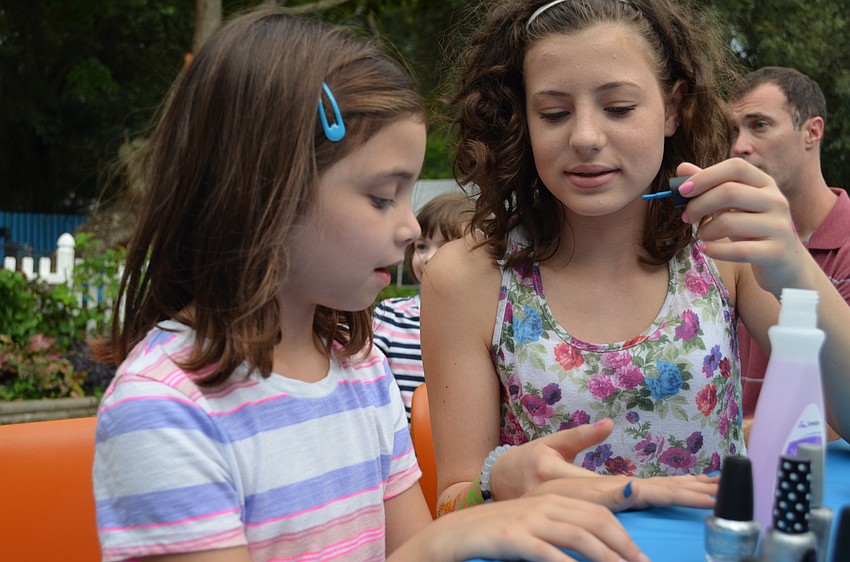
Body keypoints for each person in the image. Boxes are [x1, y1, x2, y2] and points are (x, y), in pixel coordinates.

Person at [90, 7, 655, 562]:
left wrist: (494, 492)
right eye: (382, 197)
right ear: (265, 192)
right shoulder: (163, 408)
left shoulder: (357, 367)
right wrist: (443, 543)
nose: (410, 227)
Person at [420, 0, 850, 515]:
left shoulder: (722, 249)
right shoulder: (469, 276)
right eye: (553, 113)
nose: (585, 137)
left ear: (672, 109)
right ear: (522, 120)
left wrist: (795, 270)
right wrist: (493, 483)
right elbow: (453, 503)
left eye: (619, 108)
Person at [727, 67, 850, 438]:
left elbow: (839, 408)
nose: (739, 146)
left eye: (759, 125)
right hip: (723, 478)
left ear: (812, 131)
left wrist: (731, 433)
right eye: (733, 131)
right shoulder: (724, 242)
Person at [373, 191, 474, 420]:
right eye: (421, 246)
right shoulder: (390, 315)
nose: (428, 257)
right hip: (400, 446)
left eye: (446, 245)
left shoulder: (488, 323)